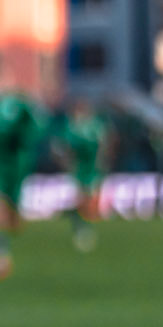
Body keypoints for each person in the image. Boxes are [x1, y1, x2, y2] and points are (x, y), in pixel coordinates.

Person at [0, 83, 47, 277]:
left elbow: (37, 126)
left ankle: (3, 237)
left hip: (16, 165)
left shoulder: (19, 105)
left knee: (13, 221)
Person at [54, 97, 112, 250]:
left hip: (93, 166)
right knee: (82, 195)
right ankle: (82, 225)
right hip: (80, 167)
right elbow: (62, 147)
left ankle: (85, 222)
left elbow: (104, 143)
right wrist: (67, 163)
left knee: (93, 195)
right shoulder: (72, 128)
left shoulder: (95, 126)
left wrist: (102, 160)